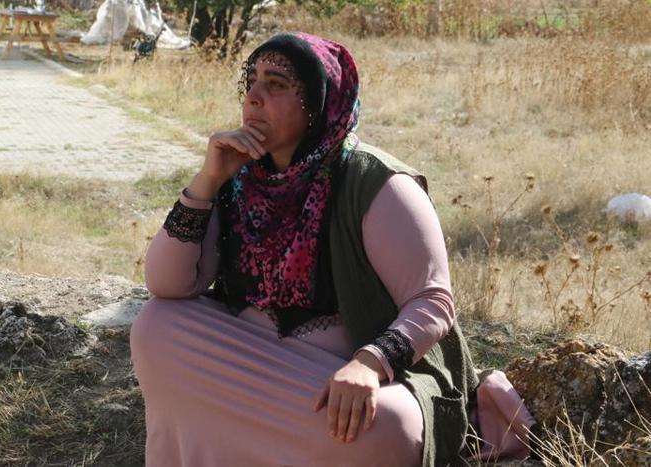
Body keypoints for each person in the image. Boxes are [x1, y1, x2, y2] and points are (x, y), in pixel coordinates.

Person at [130, 32, 535, 466]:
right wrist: (207, 180)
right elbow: (167, 283)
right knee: (157, 323)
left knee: (387, 424)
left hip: (339, 373)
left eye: (276, 84)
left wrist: (369, 365)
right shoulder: (240, 179)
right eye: (251, 81)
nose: (253, 97)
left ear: (319, 102)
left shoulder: (375, 182)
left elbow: (433, 302)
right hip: (249, 355)